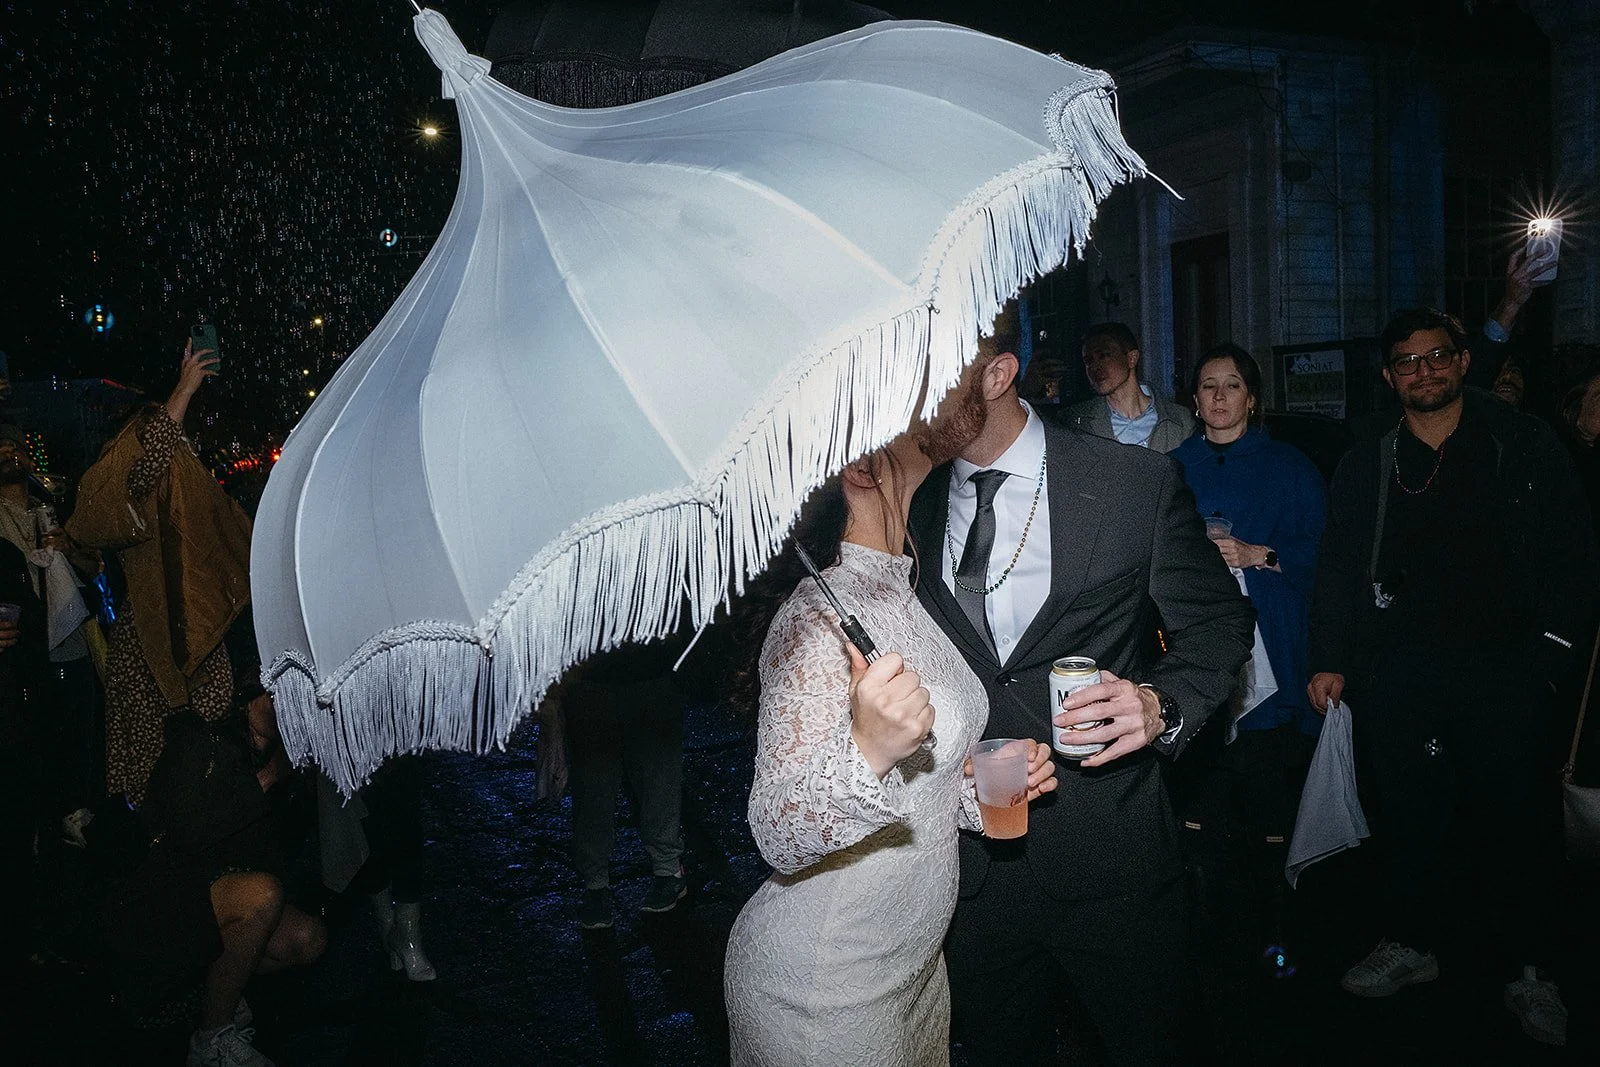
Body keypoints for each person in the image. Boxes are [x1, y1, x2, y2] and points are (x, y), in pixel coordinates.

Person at [906, 308, 1255, 1065]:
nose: (908, 402)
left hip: (1113, 859)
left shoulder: (1131, 482)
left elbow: (1220, 625)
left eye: (928, 383)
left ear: (998, 374)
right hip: (970, 876)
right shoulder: (912, 505)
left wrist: (1159, 703)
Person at [1307, 308, 1598, 1047]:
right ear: (1388, 375)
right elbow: (1338, 562)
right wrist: (1331, 656)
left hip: (1508, 676)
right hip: (1399, 677)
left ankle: (1530, 970)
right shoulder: (1368, 453)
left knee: (1518, 826)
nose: (1423, 370)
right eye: (1406, 361)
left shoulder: (1522, 441)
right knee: (1408, 819)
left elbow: (1574, 555)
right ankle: (1412, 942)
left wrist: (1551, 659)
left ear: (1463, 360)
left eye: (1437, 355)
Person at [723, 427, 1056, 1066]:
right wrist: (867, 747)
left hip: (916, 972)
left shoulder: (900, 588)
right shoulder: (815, 615)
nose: (922, 426)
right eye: (899, 426)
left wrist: (981, 793)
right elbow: (776, 829)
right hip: (825, 987)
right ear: (861, 470)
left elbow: (922, 779)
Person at [1169, 343, 1326, 978]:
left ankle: (1278, 929)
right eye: (1208, 386)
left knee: (1268, 801)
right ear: (1194, 398)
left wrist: (1259, 555)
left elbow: (1327, 561)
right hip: (1194, 656)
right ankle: (1211, 936)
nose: (1219, 397)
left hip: (1274, 650)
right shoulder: (1171, 467)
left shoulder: (1291, 467)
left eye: (1232, 385)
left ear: (1252, 397)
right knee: (1204, 807)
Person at [65, 339, 252, 805]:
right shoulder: (144, 450)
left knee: (203, 771)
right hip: (155, 645)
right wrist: (182, 392)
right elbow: (136, 483)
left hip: (194, 628)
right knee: (163, 783)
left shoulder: (181, 460)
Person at [104, 693, 325, 1067]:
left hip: (222, 901)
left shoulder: (286, 765)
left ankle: (219, 992)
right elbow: (189, 834)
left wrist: (297, 785)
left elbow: (276, 862)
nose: (276, 704)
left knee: (308, 939)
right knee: (263, 896)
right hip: (162, 899)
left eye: (286, 697)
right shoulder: (199, 740)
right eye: (267, 693)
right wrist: (266, 779)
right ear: (246, 693)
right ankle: (210, 1039)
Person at [0, 427, 100, 847]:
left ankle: (74, 814)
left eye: (16, 448)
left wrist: (70, 548)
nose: (10, 454)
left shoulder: (52, 507)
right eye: (0, 450)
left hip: (65, 635)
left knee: (75, 723)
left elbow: (93, 568)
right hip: (19, 651)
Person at [558, 642, 690, 931]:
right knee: (593, 788)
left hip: (654, 671)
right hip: (590, 677)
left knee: (659, 778)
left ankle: (668, 869)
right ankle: (595, 883)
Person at [1065, 321, 1194, 451]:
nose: (1095, 367)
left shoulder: (1181, 421)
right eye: (1088, 361)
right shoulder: (1078, 421)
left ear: (1131, 358)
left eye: (1104, 356)